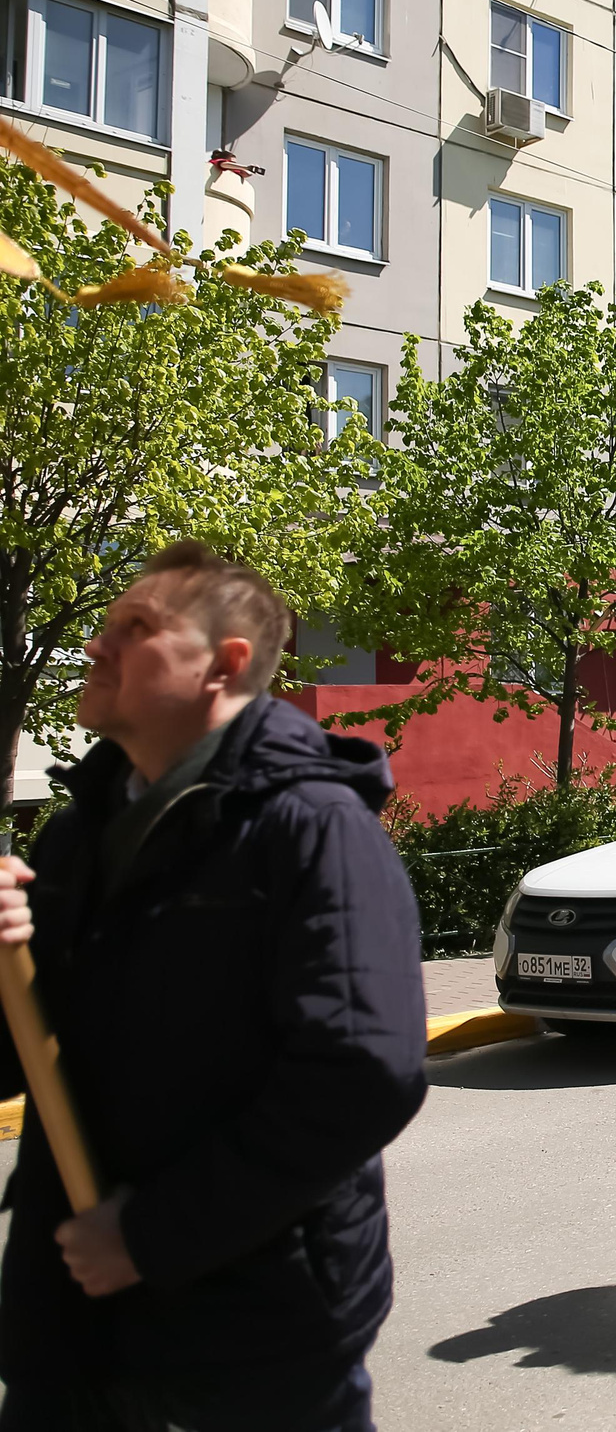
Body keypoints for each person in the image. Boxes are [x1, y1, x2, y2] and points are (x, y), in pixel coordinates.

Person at [0, 542, 427, 1429]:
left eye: (135, 627)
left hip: (249, 1343)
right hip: (70, 1337)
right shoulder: (76, 837)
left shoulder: (313, 828)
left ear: (224, 664)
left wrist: (149, 1236)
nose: (97, 646)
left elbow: (361, 1073)